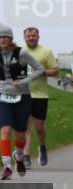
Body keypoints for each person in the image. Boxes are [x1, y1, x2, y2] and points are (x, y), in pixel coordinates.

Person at [0, 24, 44, 180]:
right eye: (0, 37)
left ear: (11, 39)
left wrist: (25, 81)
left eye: (6, 37)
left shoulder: (22, 53)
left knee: (20, 134)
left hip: (22, 97)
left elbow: (39, 69)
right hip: (2, 95)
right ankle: (7, 167)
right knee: (6, 130)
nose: (3, 39)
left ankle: (18, 156)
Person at [19, 27, 60, 166]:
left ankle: (42, 147)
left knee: (39, 127)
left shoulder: (46, 52)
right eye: (29, 36)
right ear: (24, 37)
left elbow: (55, 71)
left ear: (38, 37)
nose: (31, 38)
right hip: (23, 93)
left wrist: (41, 72)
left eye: (34, 36)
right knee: (25, 126)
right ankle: (26, 155)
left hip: (40, 94)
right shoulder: (19, 51)